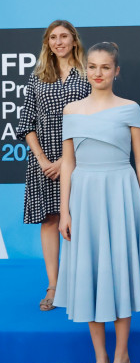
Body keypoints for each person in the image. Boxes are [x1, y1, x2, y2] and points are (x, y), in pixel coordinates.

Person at [56, 42, 140, 363]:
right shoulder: (71, 110)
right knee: (89, 273)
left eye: (105, 67)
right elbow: (68, 163)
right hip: (84, 196)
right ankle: (100, 359)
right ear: (84, 69)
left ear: (117, 71)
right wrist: (64, 211)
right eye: (92, 66)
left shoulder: (130, 108)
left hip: (120, 192)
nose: (98, 73)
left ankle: (121, 357)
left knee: (118, 275)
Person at [16, 20, 90, 311]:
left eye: (64, 36)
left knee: (80, 220)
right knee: (50, 220)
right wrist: (45, 160)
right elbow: (26, 124)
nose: (58, 42)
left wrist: (65, 160)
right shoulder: (38, 77)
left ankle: (82, 284)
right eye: (53, 38)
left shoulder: (87, 74)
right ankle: (54, 286)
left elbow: (92, 119)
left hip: (81, 158)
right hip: (43, 163)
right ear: (47, 43)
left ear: (74, 40)